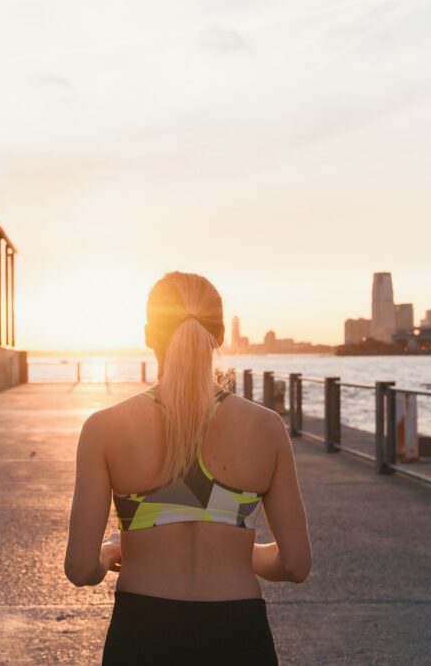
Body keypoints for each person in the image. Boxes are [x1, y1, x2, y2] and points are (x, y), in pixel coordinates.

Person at [65, 271, 311, 664]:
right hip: (240, 636)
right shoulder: (266, 427)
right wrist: (231, 550)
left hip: (142, 633)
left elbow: (80, 568)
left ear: (149, 334)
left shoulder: (105, 428)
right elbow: (295, 563)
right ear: (219, 335)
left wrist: (111, 553)